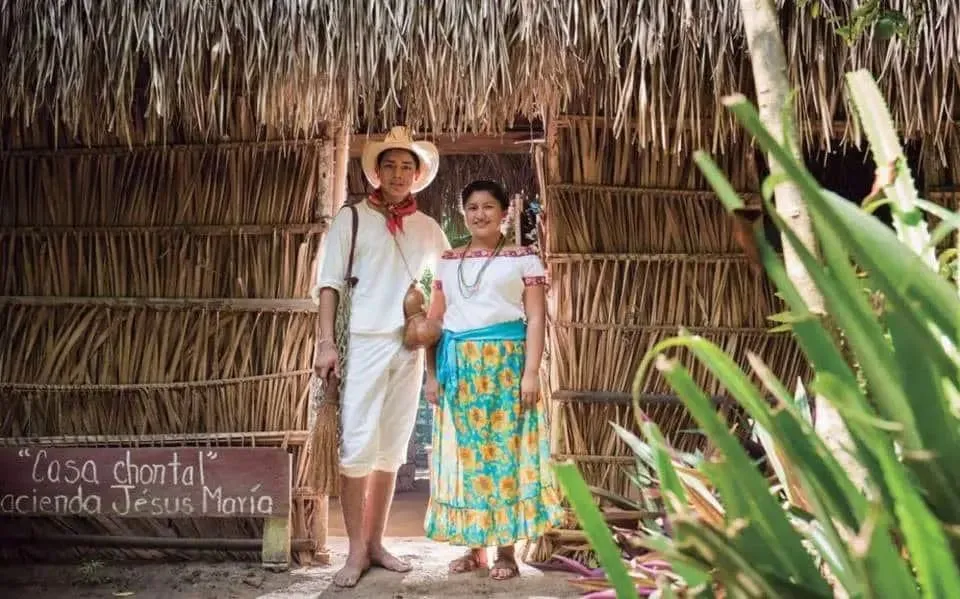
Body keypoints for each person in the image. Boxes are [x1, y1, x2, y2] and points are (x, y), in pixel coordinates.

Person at [313, 126, 450, 588]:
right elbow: (329, 284)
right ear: (376, 171)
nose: (397, 174)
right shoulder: (351, 218)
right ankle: (353, 551)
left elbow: (452, 276)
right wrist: (326, 343)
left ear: (418, 174)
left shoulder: (428, 227)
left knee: (392, 449)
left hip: (408, 346)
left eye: (406, 167)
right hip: (364, 342)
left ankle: (376, 543)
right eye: (389, 166)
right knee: (356, 448)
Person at [422, 179, 562, 581]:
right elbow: (435, 323)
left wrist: (531, 373)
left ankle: (506, 552)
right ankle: (474, 548)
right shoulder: (448, 261)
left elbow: (536, 317)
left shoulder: (524, 259)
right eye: (472, 207)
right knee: (470, 457)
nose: (479, 214)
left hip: (507, 366)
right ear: (463, 213)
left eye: (488, 206)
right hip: (460, 368)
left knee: (505, 454)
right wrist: (432, 376)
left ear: (505, 213)